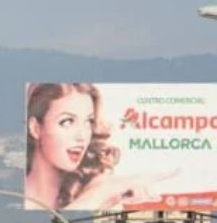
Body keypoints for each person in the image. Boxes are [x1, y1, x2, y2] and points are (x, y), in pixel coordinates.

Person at [26, 83, 175, 212]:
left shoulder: (94, 188)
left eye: (88, 122)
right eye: (67, 122)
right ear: (35, 128)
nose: (82, 136)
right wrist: (97, 194)